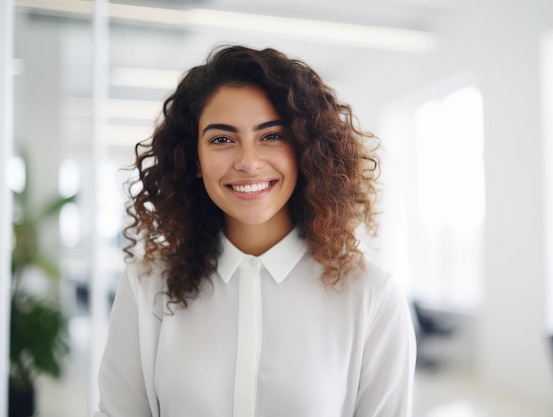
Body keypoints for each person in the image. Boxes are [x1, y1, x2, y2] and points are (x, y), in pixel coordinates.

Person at [95, 44, 416, 417]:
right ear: (194, 158)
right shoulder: (147, 285)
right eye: (221, 139)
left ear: (304, 149)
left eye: (271, 136)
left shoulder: (371, 296)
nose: (248, 162)